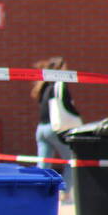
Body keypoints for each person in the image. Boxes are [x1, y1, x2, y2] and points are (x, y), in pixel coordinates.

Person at [32, 56, 80, 203]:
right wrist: (77, 117)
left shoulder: (44, 86)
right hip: (55, 128)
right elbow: (67, 106)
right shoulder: (60, 85)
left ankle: (37, 192)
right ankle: (64, 193)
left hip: (41, 129)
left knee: (43, 164)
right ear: (61, 69)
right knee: (72, 161)